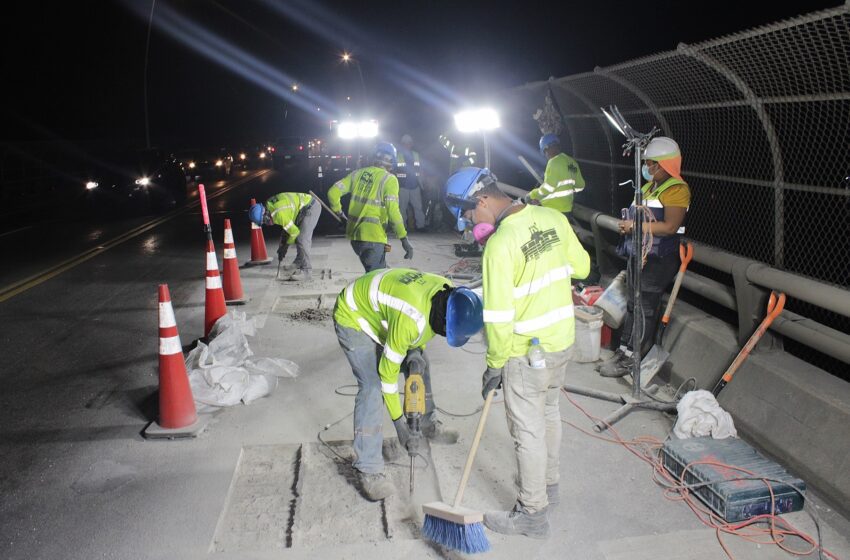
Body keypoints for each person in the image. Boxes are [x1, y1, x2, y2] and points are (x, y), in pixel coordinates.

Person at [445, 168, 590, 538]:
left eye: (466, 213)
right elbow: (584, 266)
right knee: (550, 415)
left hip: (526, 353)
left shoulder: (500, 244)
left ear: (482, 200)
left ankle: (532, 513)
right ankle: (549, 487)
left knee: (528, 432)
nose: (467, 223)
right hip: (562, 342)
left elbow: (497, 317)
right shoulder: (552, 217)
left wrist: (494, 365)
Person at [333, 268, 483, 500]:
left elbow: (417, 329)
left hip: (388, 311)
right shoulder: (411, 319)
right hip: (353, 314)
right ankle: (368, 467)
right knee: (372, 386)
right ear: (444, 320)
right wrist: (400, 427)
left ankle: (426, 424)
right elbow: (387, 376)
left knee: (421, 365)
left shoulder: (446, 293)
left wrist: (415, 352)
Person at [598, 136, 691, 378]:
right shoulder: (651, 187)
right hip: (639, 254)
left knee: (644, 307)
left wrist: (634, 227)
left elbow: (670, 226)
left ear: (667, 165)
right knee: (633, 303)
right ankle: (624, 351)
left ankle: (632, 357)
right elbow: (640, 218)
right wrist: (626, 226)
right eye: (647, 163)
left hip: (658, 259)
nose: (648, 168)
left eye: (653, 164)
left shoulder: (676, 189)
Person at [328, 142, 413, 272]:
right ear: (392, 162)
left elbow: (332, 193)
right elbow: (393, 212)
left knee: (381, 272)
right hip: (373, 237)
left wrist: (339, 214)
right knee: (376, 278)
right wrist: (403, 238)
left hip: (356, 238)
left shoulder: (357, 174)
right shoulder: (389, 180)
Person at [249, 191, 321, 281]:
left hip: (311, 207)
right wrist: (282, 244)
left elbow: (294, 232)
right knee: (293, 236)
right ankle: (297, 264)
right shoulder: (270, 205)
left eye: (264, 221)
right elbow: (286, 227)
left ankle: (307, 272)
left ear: (265, 215)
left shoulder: (277, 214)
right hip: (301, 210)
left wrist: (285, 246)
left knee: (302, 239)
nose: (266, 224)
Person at [524, 133, 585, 216]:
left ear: (547, 148)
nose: (546, 155)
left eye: (545, 152)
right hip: (567, 209)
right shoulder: (572, 162)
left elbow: (548, 188)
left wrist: (532, 195)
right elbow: (581, 186)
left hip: (553, 209)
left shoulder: (553, 162)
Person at [396, 134, 426, 231]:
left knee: (418, 207)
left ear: (411, 144)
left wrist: (422, 182)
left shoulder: (415, 155)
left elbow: (420, 169)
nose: (407, 145)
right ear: (402, 144)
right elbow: (394, 170)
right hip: (403, 186)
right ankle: (402, 227)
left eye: (409, 143)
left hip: (415, 185)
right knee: (402, 209)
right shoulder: (397, 155)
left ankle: (421, 226)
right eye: (405, 143)